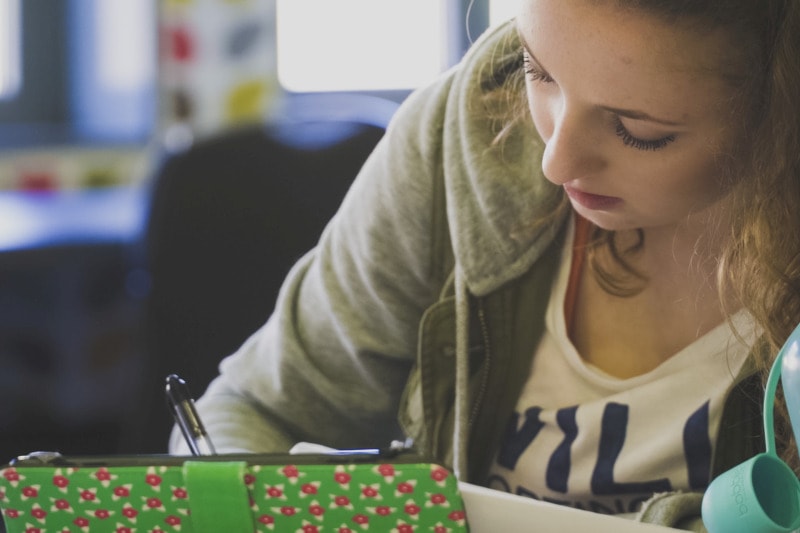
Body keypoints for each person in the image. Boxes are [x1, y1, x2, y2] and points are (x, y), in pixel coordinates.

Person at [170, 0, 800, 529]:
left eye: (638, 130)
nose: (555, 161)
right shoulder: (464, 125)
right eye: (539, 70)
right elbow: (261, 409)